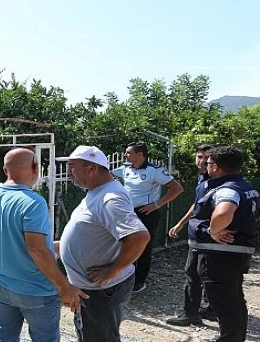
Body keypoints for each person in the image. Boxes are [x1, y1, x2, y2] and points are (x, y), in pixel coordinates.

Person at [0, 148, 87, 342]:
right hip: (36, 290)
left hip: (2, 283)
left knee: (3, 334)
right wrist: (64, 287)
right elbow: (36, 249)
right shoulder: (33, 202)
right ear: (36, 168)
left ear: (5, 170)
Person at [57, 145, 150, 342]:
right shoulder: (98, 191)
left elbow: (139, 237)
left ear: (92, 169)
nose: (68, 173)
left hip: (101, 291)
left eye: (72, 167)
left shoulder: (111, 197)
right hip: (93, 289)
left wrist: (113, 270)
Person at [186, 146, 257, 341]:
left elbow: (224, 212)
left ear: (216, 167)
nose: (205, 165)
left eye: (208, 163)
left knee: (224, 304)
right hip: (235, 253)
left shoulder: (227, 188)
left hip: (218, 254)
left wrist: (212, 230)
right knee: (234, 300)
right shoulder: (245, 185)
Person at [111, 141, 184, 293]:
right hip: (128, 212)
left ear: (140, 154)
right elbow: (107, 175)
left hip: (147, 212)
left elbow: (177, 189)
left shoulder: (155, 171)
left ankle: (139, 281)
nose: (125, 155)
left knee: (143, 247)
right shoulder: (125, 168)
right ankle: (123, 276)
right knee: (124, 243)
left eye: (129, 152)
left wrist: (156, 205)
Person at [166, 144, 216, 326]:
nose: (202, 161)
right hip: (202, 235)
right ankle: (209, 308)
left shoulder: (217, 181)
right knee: (204, 274)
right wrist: (180, 224)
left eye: (206, 158)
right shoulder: (202, 179)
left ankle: (191, 313)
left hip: (207, 237)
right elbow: (197, 205)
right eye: (199, 156)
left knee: (194, 274)